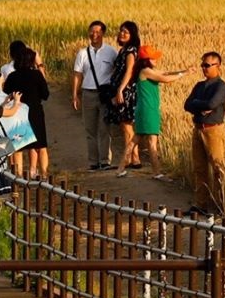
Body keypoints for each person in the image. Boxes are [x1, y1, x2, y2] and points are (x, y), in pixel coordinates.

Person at [182, 51, 225, 217]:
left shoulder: (221, 86)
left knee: (218, 167)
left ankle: (221, 205)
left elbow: (212, 103)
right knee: (199, 168)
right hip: (198, 128)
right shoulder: (199, 86)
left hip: (213, 130)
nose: (203, 68)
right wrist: (201, 105)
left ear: (218, 66)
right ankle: (201, 204)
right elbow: (187, 105)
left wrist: (199, 104)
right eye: (202, 65)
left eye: (207, 65)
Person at [130, 44, 190, 180]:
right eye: (154, 58)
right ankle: (157, 172)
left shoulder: (146, 70)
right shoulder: (146, 71)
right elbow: (166, 79)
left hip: (147, 109)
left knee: (141, 139)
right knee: (151, 141)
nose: (157, 60)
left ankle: (153, 171)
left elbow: (165, 73)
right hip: (148, 110)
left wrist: (184, 71)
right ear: (147, 60)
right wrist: (182, 74)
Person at [70, 21, 121, 170]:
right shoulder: (82, 53)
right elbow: (77, 74)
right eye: (92, 31)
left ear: (103, 33)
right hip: (88, 93)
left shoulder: (111, 52)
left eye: (98, 32)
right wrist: (75, 95)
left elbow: (118, 72)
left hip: (104, 95)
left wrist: (115, 91)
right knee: (90, 130)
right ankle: (93, 162)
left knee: (105, 129)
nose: (94, 34)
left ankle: (105, 161)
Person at [2, 46, 51, 180]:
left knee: (18, 147)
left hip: (18, 112)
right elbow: (45, 94)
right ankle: (44, 175)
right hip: (35, 112)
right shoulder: (36, 75)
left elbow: (6, 94)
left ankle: (18, 176)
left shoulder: (12, 76)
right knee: (41, 146)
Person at [105, 21, 143, 177]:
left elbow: (129, 71)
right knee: (125, 126)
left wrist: (120, 89)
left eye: (126, 32)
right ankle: (135, 159)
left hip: (126, 91)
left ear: (132, 35)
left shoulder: (130, 51)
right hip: (121, 90)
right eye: (121, 31)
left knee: (127, 125)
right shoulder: (124, 50)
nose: (122, 34)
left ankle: (128, 158)